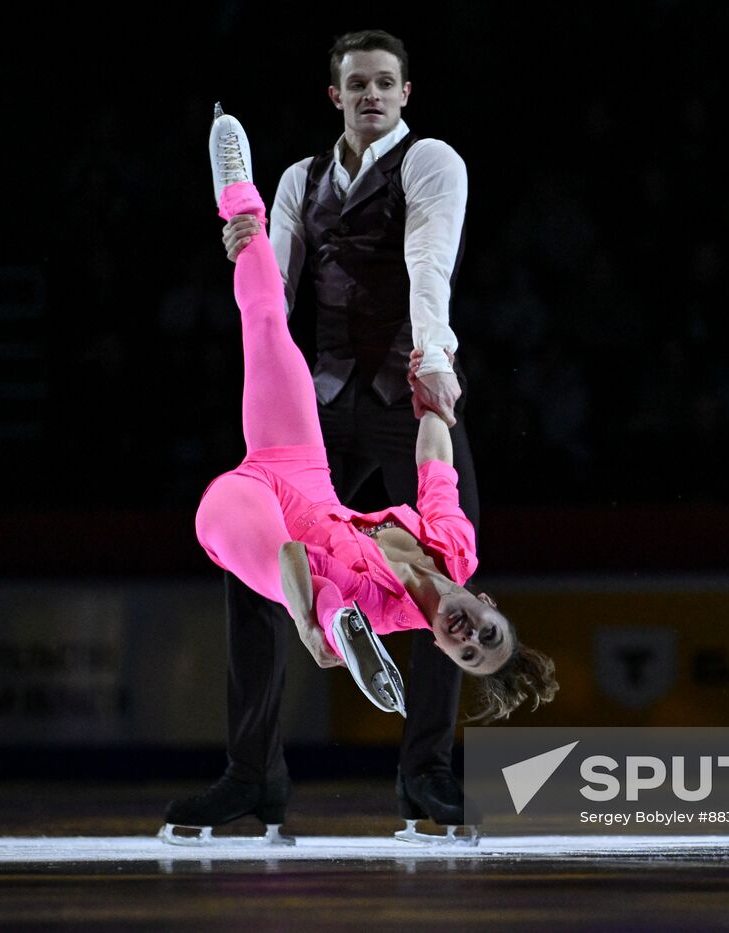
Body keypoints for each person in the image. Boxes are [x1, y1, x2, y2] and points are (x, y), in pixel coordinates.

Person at [161, 108, 556, 843]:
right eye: (487, 629)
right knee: (266, 321)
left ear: (442, 650)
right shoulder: (453, 547)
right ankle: (236, 196)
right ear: (486, 599)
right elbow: (434, 463)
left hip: (259, 514)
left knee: (251, 549)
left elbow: (286, 554)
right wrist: (436, 398)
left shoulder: (387, 607)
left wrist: (318, 621)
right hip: (304, 454)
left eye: (465, 649)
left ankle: (359, 676)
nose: (467, 634)